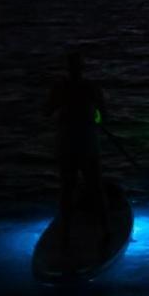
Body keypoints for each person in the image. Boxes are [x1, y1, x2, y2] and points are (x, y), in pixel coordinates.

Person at [44, 51, 106, 235]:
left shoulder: (60, 88)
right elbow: (104, 114)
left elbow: (46, 111)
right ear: (83, 67)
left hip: (67, 143)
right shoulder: (92, 88)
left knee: (67, 188)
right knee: (95, 186)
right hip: (87, 142)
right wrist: (95, 116)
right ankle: (105, 229)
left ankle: (65, 231)